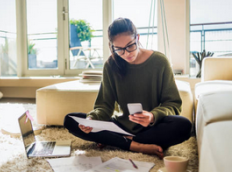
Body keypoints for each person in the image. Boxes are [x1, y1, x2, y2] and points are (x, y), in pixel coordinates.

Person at [63, 17, 191, 159]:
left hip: (151, 128)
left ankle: (119, 141)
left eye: (130, 46)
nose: (127, 53)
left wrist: (153, 116)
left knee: (184, 125)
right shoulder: (111, 65)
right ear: (112, 47)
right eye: (119, 49)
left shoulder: (160, 62)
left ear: (137, 38)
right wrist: (93, 118)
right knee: (71, 120)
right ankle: (136, 145)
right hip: (120, 126)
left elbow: (173, 103)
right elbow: (104, 106)